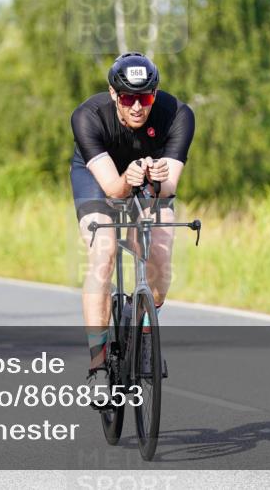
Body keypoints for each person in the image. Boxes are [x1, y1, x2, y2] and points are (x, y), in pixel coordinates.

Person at [69, 52, 195, 403]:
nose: (138, 107)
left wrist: (155, 182)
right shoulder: (87, 117)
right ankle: (97, 364)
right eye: (128, 98)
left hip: (148, 178)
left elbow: (169, 188)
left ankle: (137, 322)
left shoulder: (178, 115)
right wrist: (129, 178)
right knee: (104, 249)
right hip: (99, 178)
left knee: (160, 249)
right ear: (113, 94)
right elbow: (113, 189)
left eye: (146, 98)